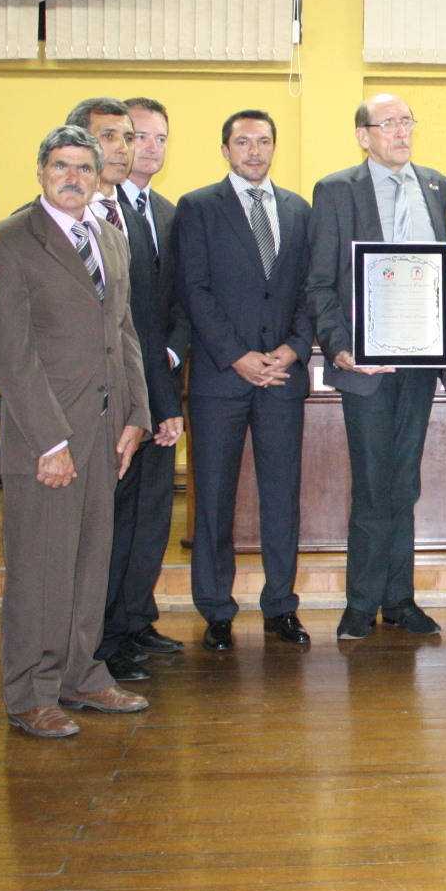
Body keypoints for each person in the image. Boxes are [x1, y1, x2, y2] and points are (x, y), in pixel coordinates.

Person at [0, 126, 150, 737]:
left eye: (85, 167)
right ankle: (30, 690)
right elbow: (11, 352)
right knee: (39, 568)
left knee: (89, 561)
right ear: (40, 169)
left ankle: (82, 673)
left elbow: (123, 330)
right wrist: (48, 441)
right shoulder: (9, 240)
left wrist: (136, 414)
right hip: (45, 434)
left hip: (105, 430)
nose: (74, 177)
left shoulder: (107, 235)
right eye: (62, 166)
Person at [307, 94, 446, 640]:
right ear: (363, 135)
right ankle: (361, 602)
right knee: (373, 485)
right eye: (388, 124)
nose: (401, 132)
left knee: (405, 484)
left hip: (421, 363)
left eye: (407, 122)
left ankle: (400, 599)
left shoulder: (436, 187)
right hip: (365, 365)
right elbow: (321, 283)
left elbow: (431, 275)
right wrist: (339, 347)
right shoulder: (335, 191)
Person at [176, 109, 315, 649]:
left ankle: (281, 605)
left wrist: (293, 348)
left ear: (275, 148)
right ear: (225, 149)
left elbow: (309, 289)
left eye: (262, 141)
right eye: (242, 142)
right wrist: (237, 355)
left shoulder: (298, 210)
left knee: (282, 496)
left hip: (282, 377)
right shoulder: (198, 207)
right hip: (220, 379)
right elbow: (195, 289)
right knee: (213, 497)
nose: (253, 151)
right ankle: (216, 609)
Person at [66, 98, 182, 682]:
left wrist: (163, 402)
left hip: (146, 393)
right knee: (99, 528)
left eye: (126, 138)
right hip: (86, 404)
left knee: (143, 518)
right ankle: (96, 642)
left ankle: (126, 625)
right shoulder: (50, 221)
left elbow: (154, 319)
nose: (123, 148)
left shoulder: (135, 218)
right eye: (109, 137)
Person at [116, 95, 189, 659]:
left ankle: (137, 617)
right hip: (115, 394)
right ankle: (106, 632)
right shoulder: (98, 209)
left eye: (160, 137)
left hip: (162, 383)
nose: (149, 147)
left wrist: (169, 358)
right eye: (138, 135)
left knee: (152, 513)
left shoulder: (168, 212)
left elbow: (179, 303)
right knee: (114, 519)